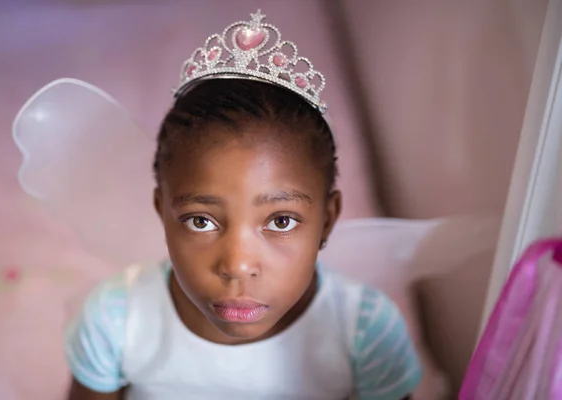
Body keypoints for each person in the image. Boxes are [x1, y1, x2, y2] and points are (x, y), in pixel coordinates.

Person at [64, 10, 422, 400]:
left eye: (281, 221)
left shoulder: (365, 331)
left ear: (327, 220)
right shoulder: (117, 319)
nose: (237, 264)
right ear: (161, 211)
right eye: (201, 221)